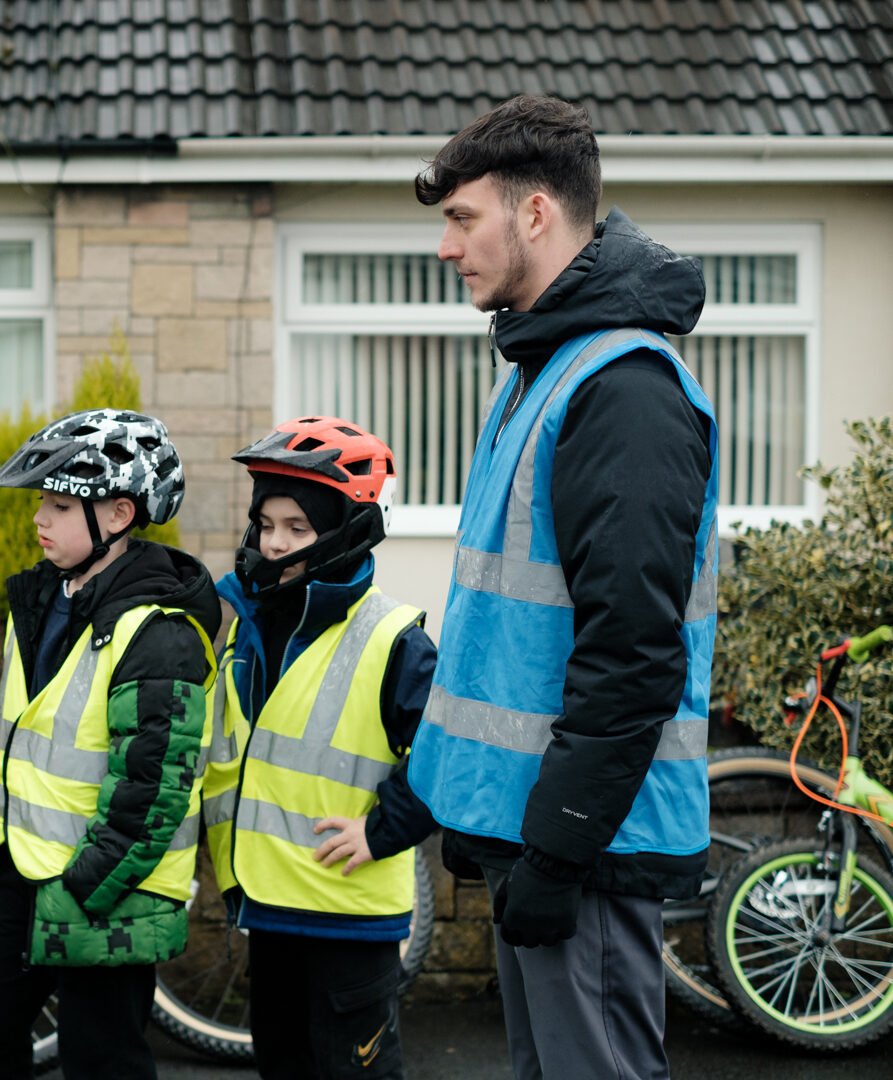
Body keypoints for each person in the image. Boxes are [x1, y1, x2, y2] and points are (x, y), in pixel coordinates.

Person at [408, 95, 719, 1080]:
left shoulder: (620, 388)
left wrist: (557, 849)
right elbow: (509, 635)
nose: (447, 247)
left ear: (534, 213)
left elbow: (632, 649)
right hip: (540, 837)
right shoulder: (541, 370)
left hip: (583, 852)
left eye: (462, 219)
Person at [203, 415, 437, 1080]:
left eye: (297, 529)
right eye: (266, 525)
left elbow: (452, 753)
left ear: (347, 531)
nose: (273, 544)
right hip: (269, 910)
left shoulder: (394, 639)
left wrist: (384, 829)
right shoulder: (250, 627)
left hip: (347, 919)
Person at [0, 408, 221, 1080]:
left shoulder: (160, 632)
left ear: (119, 515)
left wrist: (80, 888)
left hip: (104, 893)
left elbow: (152, 791)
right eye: (41, 501)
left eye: (60, 504)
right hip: (22, 874)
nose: (39, 518)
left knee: (104, 1061)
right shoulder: (42, 601)